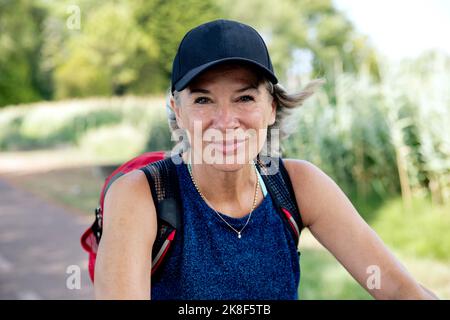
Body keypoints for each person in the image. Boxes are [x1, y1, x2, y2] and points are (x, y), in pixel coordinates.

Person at [94, 19, 438, 300]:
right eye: (203, 100)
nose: (226, 121)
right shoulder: (141, 196)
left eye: (244, 98)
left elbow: (395, 289)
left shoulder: (295, 185)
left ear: (271, 106)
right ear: (176, 111)